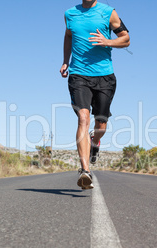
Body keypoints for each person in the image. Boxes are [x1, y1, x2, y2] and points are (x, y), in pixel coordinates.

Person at [60, 0, 130, 189]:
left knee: (101, 123)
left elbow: (126, 38)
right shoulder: (70, 14)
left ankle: (95, 141)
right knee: (83, 117)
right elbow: (68, 36)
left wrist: (108, 41)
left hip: (104, 76)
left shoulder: (108, 13)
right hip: (78, 74)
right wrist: (66, 61)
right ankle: (85, 171)